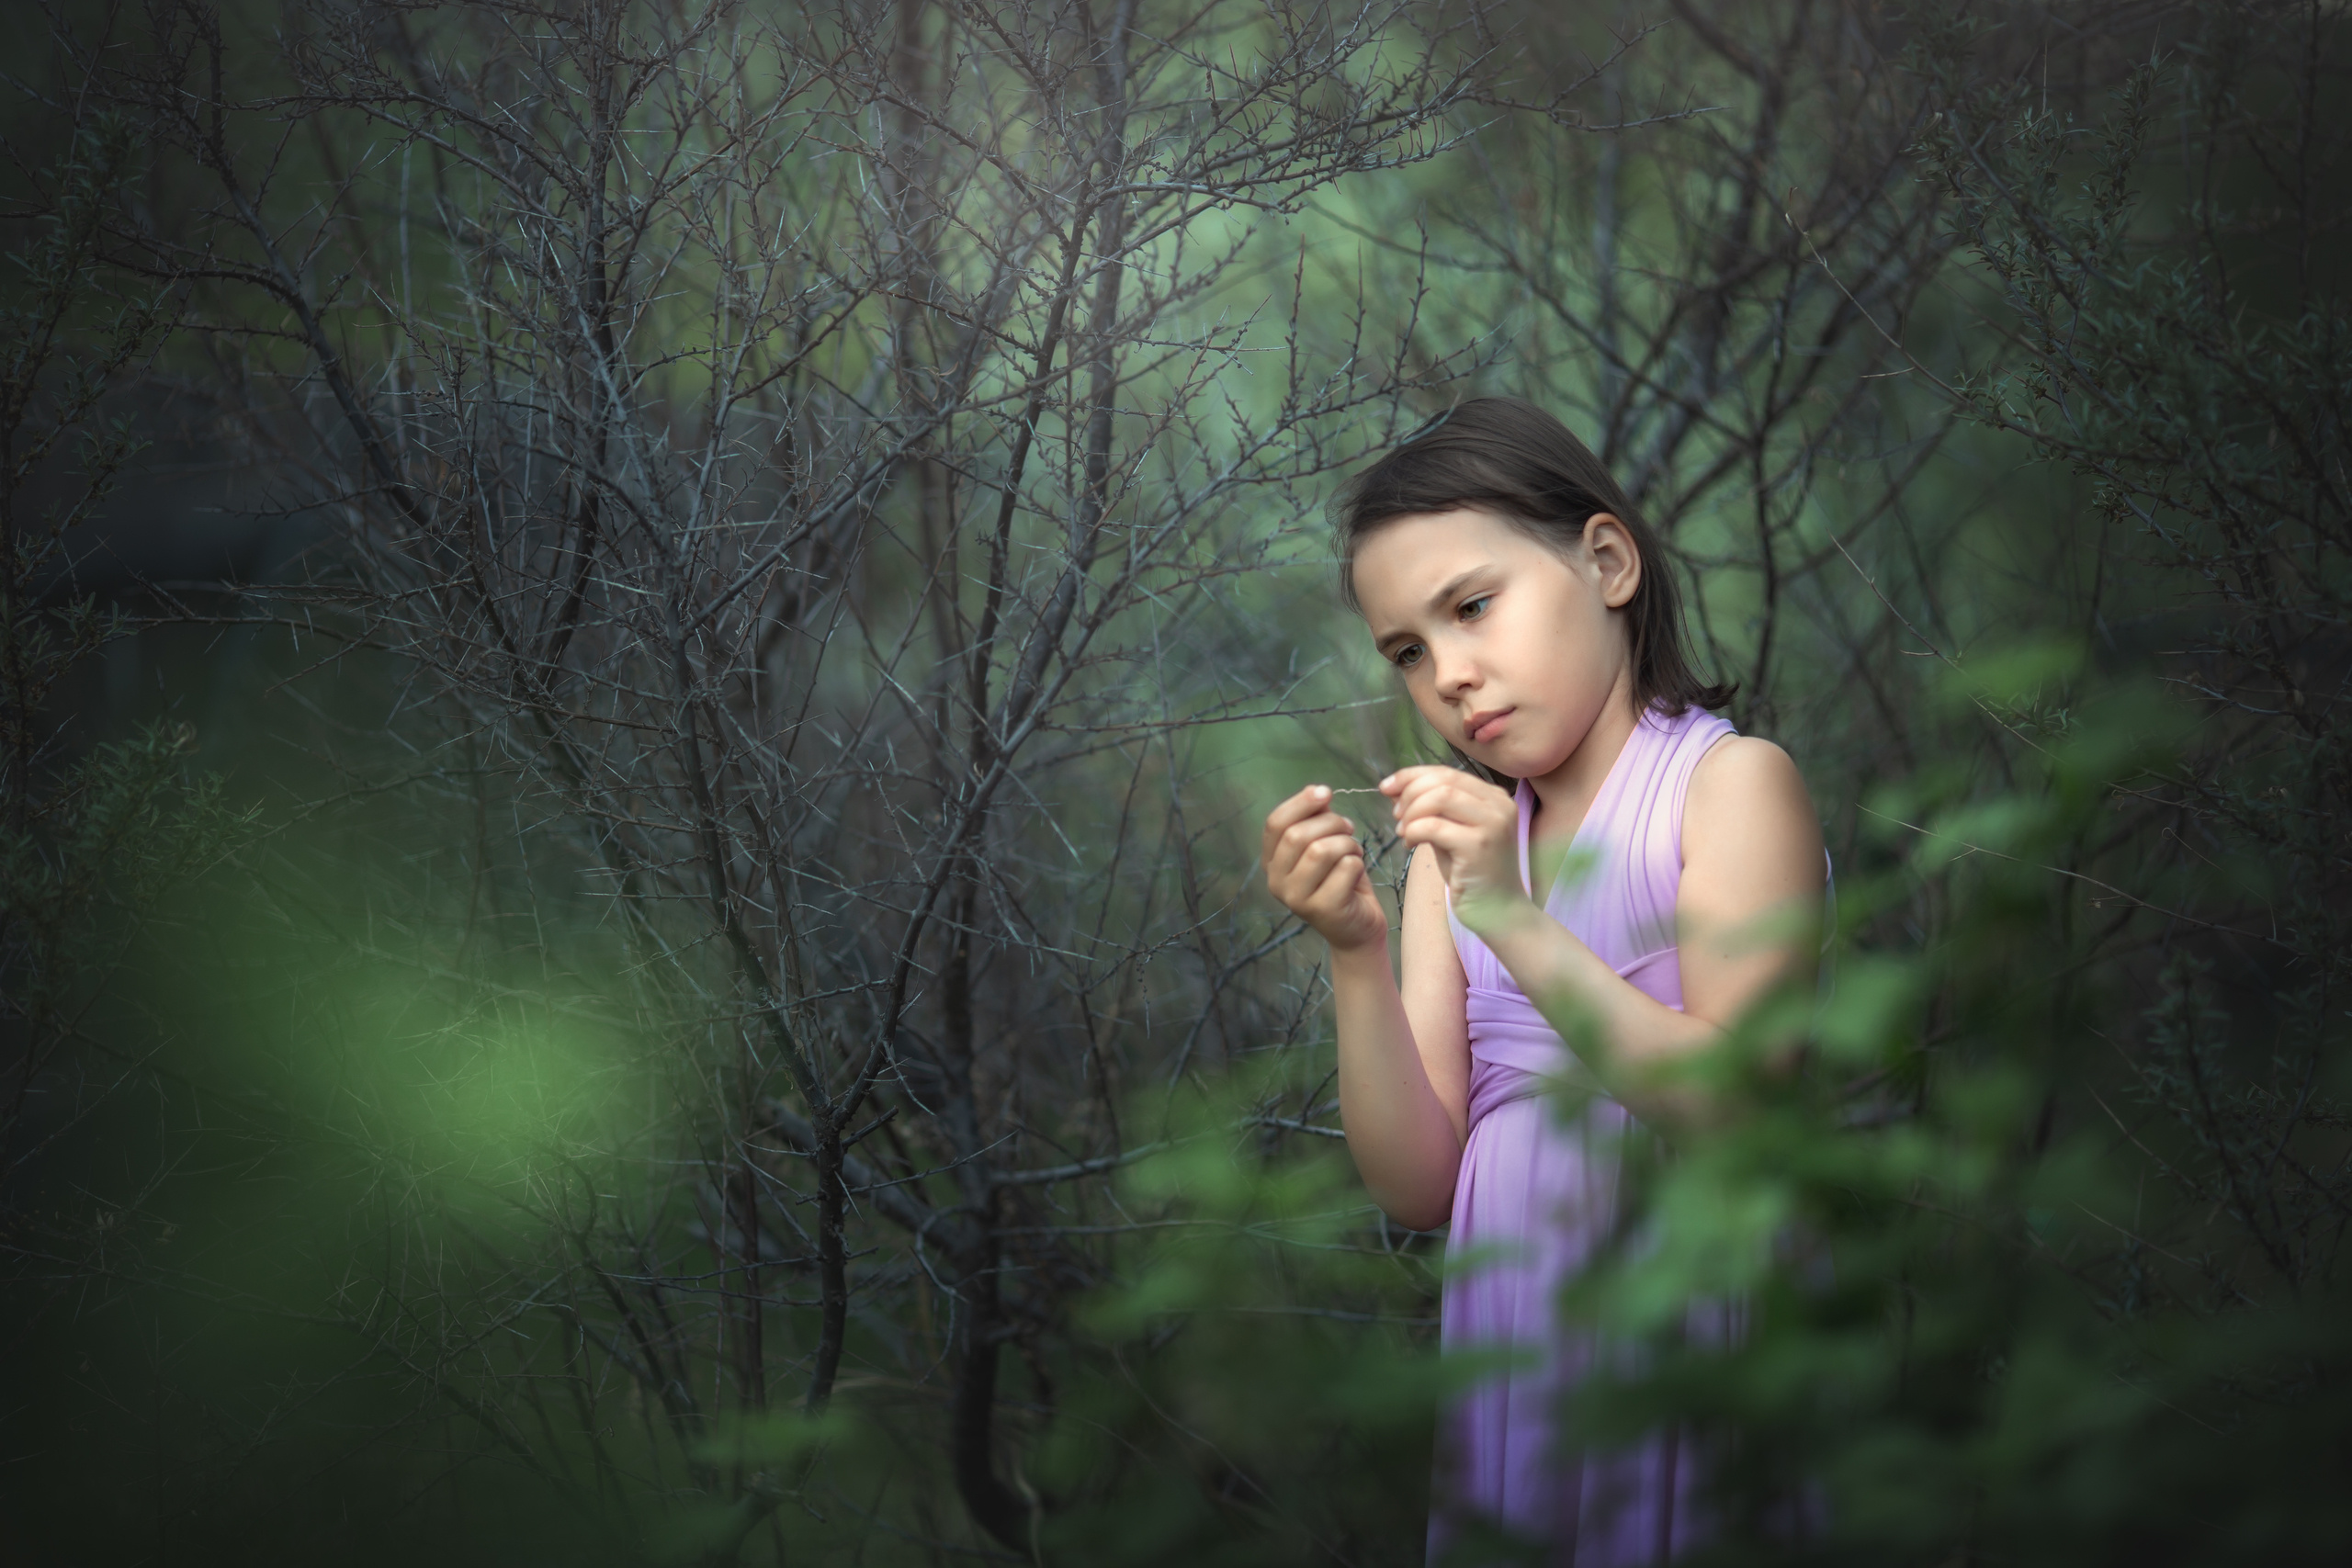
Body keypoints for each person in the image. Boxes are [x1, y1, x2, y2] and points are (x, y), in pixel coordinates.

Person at [1261, 399, 1826, 1563]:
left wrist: (1513, 916)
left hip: (1691, 1320)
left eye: (1472, 607)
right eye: (1408, 652)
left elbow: (1735, 1102)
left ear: (1607, 562)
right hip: (1521, 1348)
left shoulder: (1728, 789)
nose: (1450, 676)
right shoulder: (1449, 862)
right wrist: (1355, 951)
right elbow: (1418, 1185)